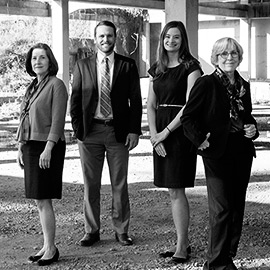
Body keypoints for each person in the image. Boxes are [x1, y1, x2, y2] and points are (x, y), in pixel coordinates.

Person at [181, 37, 259, 270]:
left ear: (239, 57)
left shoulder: (243, 84)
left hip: (241, 150)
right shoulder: (207, 83)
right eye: (224, 54)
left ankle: (226, 256)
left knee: (236, 207)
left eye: (234, 53)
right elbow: (188, 117)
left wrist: (252, 128)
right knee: (222, 207)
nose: (229, 57)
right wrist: (199, 140)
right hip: (217, 152)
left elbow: (247, 117)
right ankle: (215, 263)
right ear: (215, 58)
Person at [70, 20, 142, 247]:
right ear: (95, 39)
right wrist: (78, 129)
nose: (105, 40)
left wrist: (134, 130)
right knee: (90, 184)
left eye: (109, 36)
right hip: (90, 133)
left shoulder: (127, 65)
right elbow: (75, 100)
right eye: (101, 36)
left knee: (119, 184)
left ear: (115, 37)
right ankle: (91, 231)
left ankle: (121, 231)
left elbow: (136, 101)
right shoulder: (82, 65)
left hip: (117, 133)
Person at [147, 21, 203, 265]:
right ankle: (182, 241)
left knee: (177, 189)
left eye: (176, 37)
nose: (171, 41)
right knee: (172, 191)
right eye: (167, 37)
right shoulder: (156, 68)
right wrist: (153, 135)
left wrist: (166, 133)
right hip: (160, 131)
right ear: (162, 39)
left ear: (183, 40)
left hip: (179, 133)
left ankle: (182, 245)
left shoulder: (192, 67)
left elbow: (190, 106)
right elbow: (149, 105)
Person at [16, 43, 68, 266]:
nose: (37, 62)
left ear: (50, 61)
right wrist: (20, 146)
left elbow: (57, 120)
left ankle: (52, 248)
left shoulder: (56, 85)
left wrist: (48, 148)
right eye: (34, 58)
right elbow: (24, 118)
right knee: (39, 200)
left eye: (42, 58)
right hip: (30, 145)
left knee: (44, 199)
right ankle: (46, 245)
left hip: (47, 146)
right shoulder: (32, 86)